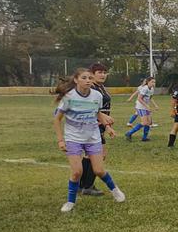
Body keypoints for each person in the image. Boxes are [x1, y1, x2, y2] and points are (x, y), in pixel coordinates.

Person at [52, 68, 126, 213]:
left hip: (93, 137)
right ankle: (70, 202)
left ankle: (115, 190)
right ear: (76, 80)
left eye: (90, 78)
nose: (88, 81)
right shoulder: (69, 97)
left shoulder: (97, 96)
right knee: (76, 172)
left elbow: (97, 113)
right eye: (84, 78)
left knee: (98, 170)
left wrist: (107, 126)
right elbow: (57, 119)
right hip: (73, 138)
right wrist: (61, 140)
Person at [80, 63, 116, 196]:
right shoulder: (91, 88)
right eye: (99, 72)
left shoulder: (100, 87)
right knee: (98, 155)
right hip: (92, 125)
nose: (102, 74)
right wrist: (104, 120)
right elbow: (89, 107)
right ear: (92, 74)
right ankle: (88, 186)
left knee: (90, 155)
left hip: (99, 125)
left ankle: (82, 184)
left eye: (104, 72)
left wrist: (106, 125)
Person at [125, 77, 158, 141]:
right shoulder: (144, 88)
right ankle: (129, 133)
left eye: (154, 82)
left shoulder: (152, 89)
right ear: (148, 82)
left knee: (148, 122)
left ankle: (144, 138)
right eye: (152, 82)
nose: (153, 83)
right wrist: (146, 106)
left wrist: (155, 105)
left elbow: (150, 98)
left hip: (145, 107)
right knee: (144, 122)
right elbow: (139, 98)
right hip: (140, 107)